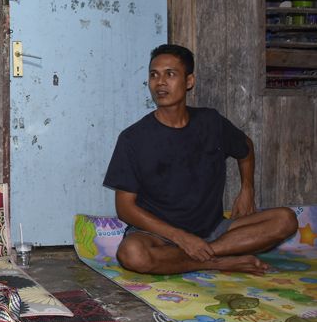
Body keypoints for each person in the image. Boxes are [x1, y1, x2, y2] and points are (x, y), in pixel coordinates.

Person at [103, 44, 297, 276]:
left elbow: (245, 148)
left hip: (213, 230)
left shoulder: (210, 122)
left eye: (170, 74)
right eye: (154, 75)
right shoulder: (132, 138)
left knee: (285, 219)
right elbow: (125, 208)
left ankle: (207, 253)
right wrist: (181, 238)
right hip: (159, 236)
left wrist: (247, 189)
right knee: (132, 254)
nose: (160, 82)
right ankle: (218, 261)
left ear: (189, 81)